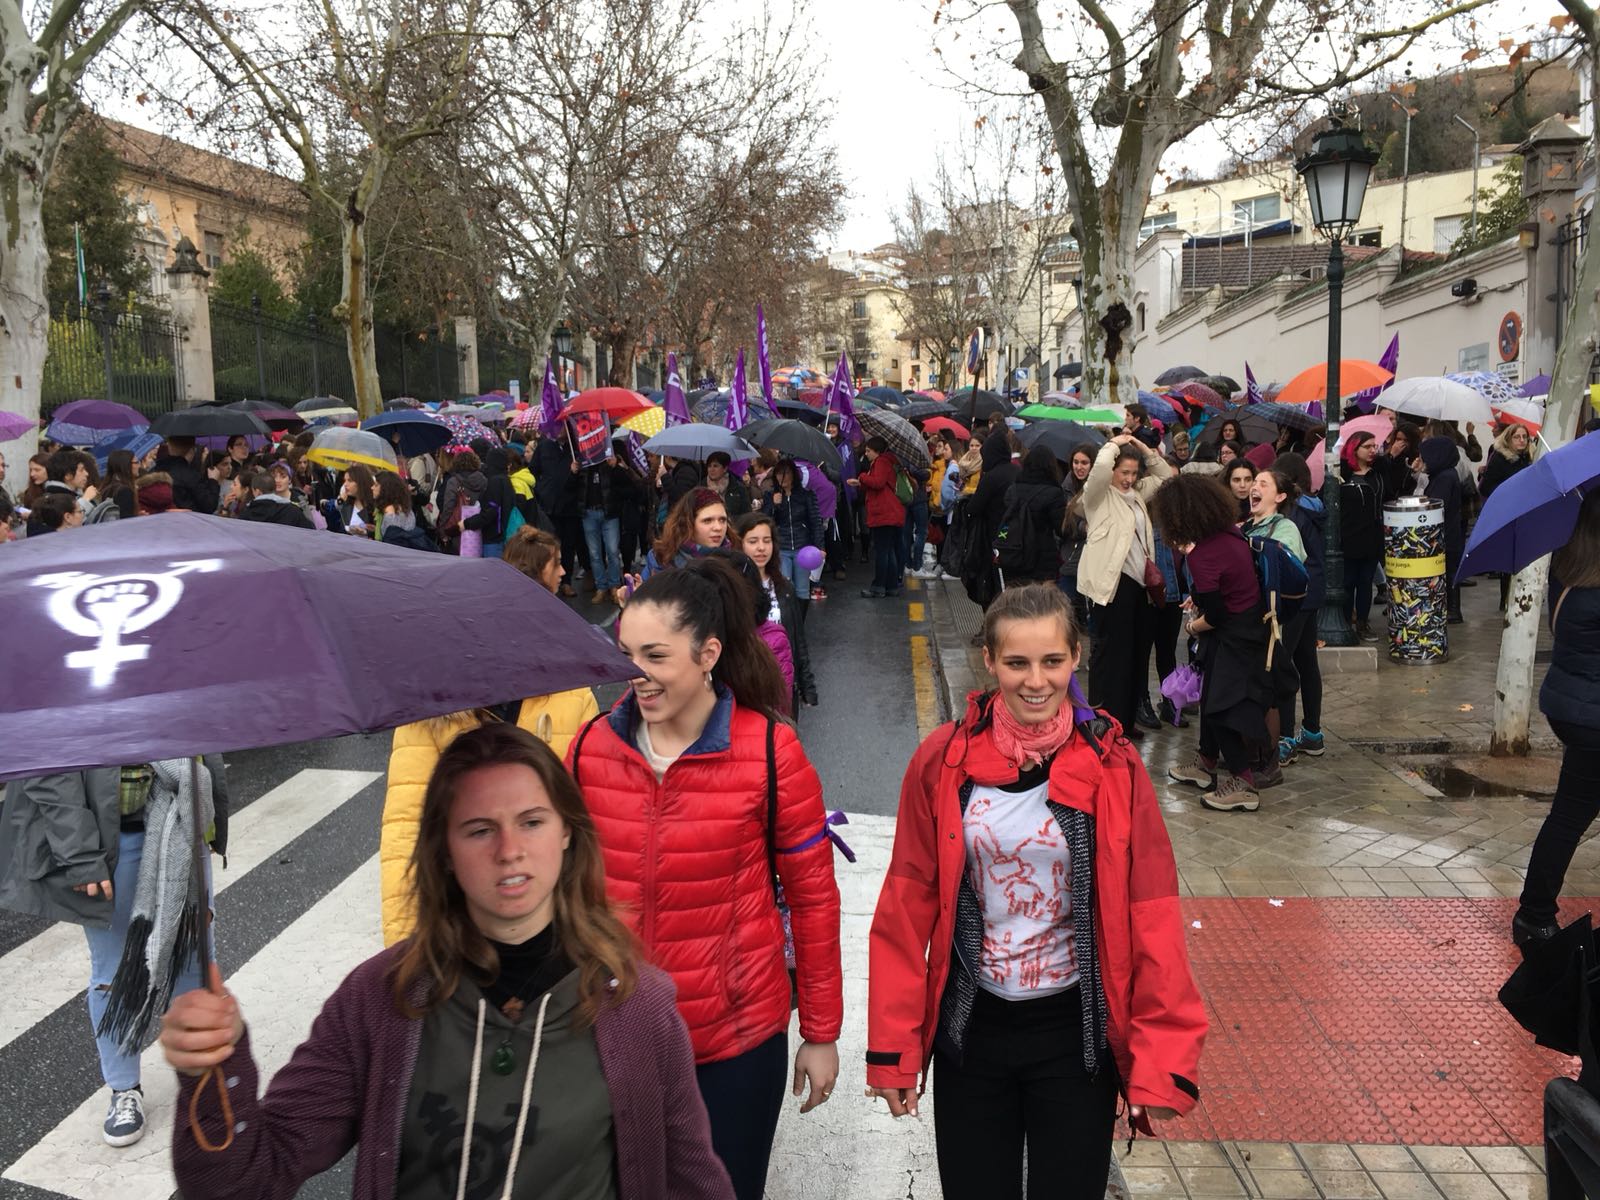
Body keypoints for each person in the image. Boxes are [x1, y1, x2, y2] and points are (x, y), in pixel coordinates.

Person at [166, 725, 735, 1200]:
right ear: (443, 849)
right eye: (479, 829)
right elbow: (244, 1182)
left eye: (532, 821)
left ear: (567, 832)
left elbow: (694, 1183)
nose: (509, 849)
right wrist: (212, 1070)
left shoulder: (638, 1008)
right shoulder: (378, 999)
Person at [865, 583, 1206, 1199]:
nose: (1035, 680)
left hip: (1074, 1038)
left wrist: (1158, 1060)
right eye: (1017, 662)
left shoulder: (1113, 765)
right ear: (990, 662)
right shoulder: (943, 762)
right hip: (973, 1032)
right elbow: (904, 910)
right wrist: (894, 1048)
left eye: (1052, 661)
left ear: (1076, 657)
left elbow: (1150, 915)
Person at [567, 556, 843, 1200]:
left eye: (656, 656)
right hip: (607, 1036)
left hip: (735, 1046)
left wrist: (821, 1033)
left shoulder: (772, 753)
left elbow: (813, 900)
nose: (637, 674)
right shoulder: (587, 750)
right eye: (626, 654)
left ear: (708, 653)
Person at [379, 529, 598, 944]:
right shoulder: (433, 709)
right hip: (459, 928)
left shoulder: (572, 694)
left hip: (553, 929)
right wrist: (408, 947)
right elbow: (406, 830)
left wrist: (586, 930)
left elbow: (588, 825)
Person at [1, 761, 211, 1147]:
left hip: (179, 820)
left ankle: (200, 1080)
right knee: (114, 972)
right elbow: (46, 765)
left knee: (190, 964)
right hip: (109, 838)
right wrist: (79, 853)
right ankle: (123, 1088)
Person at [1151, 475, 1273, 812]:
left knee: (1221, 707)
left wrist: (1192, 627)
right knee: (1209, 697)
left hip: (1234, 634)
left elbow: (1216, 614)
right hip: (1245, 627)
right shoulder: (1230, 535)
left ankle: (1243, 782)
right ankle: (1206, 763)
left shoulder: (1202, 555)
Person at [1515, 490, 1600, 951]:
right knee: (1570, 816)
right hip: (1592, 718)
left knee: (1570, 814)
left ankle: (1534, 913)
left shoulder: (1570, 574)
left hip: (1571, 708)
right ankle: (1533, 913)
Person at [1079, 434, 1173, 738]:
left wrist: (1144, 449)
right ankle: (1105, 723)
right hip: (1111, 586)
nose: (1129, 479)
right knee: (1111, 658)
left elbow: (1164, 475)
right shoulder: (1097, 496)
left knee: (1135, 657)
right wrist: (1115, 443)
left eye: (1134, 474)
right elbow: (1100, 468)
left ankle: (1126, 721)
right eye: (1124, 473)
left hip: (1139, 587)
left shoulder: (1136, 496)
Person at [1271, 454, 1326, 765]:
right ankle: (1313, 732)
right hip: (1313, 594)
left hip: (1297, 595)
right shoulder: (1312, 506)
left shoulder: (1292, 514)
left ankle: (1286, 738)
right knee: (1307, 662)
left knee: (1285, 663)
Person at [734, 511, 818, 714]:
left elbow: (797, 638)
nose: (761, 548)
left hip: (784, 686)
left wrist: (807, 686)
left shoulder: (784, 587)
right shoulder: (732, 589)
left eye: (766, 541)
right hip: (747, 689)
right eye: (753, 541)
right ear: (740, 544)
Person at [1339, 432, 1386, 641]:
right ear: (1354, 449)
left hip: (1372, 536)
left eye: (1374, 446)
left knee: (1366, 582)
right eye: (1367, 446)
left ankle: (1363, 623)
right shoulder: (1343, 474)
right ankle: (1347, 621)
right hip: (1348, 537)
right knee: (1348, 582)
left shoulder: (1377, 473)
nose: (1372, 450)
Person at [850, 435, 908, 600]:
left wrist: (862, 476)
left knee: (882, 552)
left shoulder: (881, 462)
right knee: (888, 551)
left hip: (884, 513)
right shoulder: (886, 461)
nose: (866, 454)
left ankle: (878, 587)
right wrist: (861, 483)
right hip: (890, 512)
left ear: (877, 451)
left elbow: (879, 482)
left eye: (868, 451)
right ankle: (891, 586)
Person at [998, 444, 1066, 584]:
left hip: (1014, 554)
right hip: (1043, 560)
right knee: (1042, 602)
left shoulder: (1013, 489)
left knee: (1019, 600)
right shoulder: (1054, 493)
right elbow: (1061, 529)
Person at [759, 457, 823, 602]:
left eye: (787, 473)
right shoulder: (770, 495)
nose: (783, 477)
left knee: (802, 590)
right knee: (785, 589)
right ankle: (788, 624)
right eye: (779, 473)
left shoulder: (806, 495)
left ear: (794, 474)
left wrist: (820, 547)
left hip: (803, 548)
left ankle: (800, 623)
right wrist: (773, 505)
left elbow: (815, 522)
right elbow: (764, 522)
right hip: (782, 548)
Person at [576, 450, 628, 602]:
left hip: (609, 513)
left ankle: (614, 586)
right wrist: (573, 472)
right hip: (589, 513)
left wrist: (615, 467)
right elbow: (572, 487)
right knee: (594, 553)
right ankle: (601, 586)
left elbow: (625, 484)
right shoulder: (582, 464)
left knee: (612, 551)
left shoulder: (608, 462)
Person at [645, 488, 729, 577]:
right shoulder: (660, 558)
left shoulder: (737, 559)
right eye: (707, 521)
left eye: (722, 520)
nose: (718, 527)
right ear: (687, 523)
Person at [153, 437, 221, 513]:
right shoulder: (192, 476)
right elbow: (209, 506)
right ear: (192, 449)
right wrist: (213, 481)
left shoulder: (154, 470)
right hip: (187, 522)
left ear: (169, 446)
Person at [375, 471, 436, 551]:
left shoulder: (390, 515)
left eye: (376, 485)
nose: (372, 487)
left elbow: (392, 545)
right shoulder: (406, 509)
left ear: (385, 488)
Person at [237, 471, 315, 528]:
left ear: (257, 491)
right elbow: (310, 531)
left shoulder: (245, 514)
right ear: (274, 488)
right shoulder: (292, 510)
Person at [1483, 423, 1533, 500]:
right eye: (1516, 437)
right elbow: (1486, 487)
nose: (1522, 440)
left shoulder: (1527, 458)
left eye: (1524, 436)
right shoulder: (1500, 458)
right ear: (1508, 439)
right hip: (1501, 502)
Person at [703, 451, 752, 517]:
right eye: (709, 466)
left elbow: (747, 514)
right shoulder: (701, 487)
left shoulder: (738, 488)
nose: (711, 469)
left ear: (725, 468)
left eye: (715, 466)